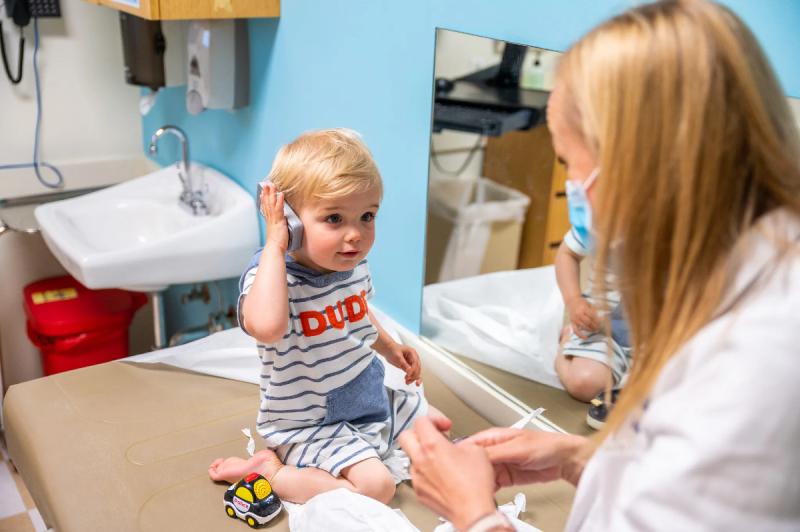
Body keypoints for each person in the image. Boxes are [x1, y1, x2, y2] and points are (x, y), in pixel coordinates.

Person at [400, 1, 800, 530]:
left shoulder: (751, 368)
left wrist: (473, 515)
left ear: (638, 162)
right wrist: (581, 459)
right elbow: (673, 484)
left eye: (569, 163)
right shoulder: (747, 273)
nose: (572, 190)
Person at [208, 129, 429, 504]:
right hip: (308, 424)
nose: (355, 235)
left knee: (435, 434)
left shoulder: (351, 265)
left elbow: (356, 312)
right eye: (334, 218)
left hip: (367, 403)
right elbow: (267, 326)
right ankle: (272, 471)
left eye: (367, 216)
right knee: (378, 488)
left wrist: (390, 347)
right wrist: (275, 245)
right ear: (291, 221)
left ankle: (365, 444)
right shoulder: (271, 276)